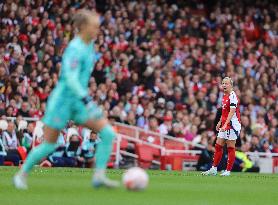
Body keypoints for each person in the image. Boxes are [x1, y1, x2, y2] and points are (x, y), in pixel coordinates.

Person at [13, 10, 119, 189]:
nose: (97, 30)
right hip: (62, 102)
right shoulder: (75, 48)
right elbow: (70, 77)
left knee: (108, 133)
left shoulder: (90, 45)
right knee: (48, 145)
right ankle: (21, 175)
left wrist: (84, 100)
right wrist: (87, 99)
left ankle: (99, 177)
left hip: (77, 103)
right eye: (94, 26)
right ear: (83, 27)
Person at [202, 77, 241, 176]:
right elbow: (224, 111)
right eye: (223, 83)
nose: (224, 85)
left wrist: (225, 124)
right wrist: (220, 122)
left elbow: (232, 112)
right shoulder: (224, 96)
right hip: (224, 123)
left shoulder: (233, 96)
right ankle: (214, 168)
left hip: (232, 125)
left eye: (226, 83)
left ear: (231, 85)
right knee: (218, 146)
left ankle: (228, 171)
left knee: (230, 147)